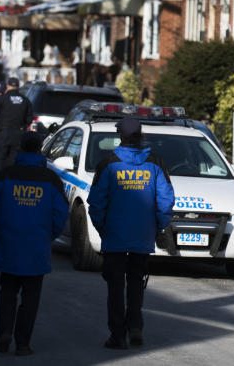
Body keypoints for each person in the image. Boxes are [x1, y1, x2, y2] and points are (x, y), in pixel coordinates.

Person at [87, 117, 175, 349]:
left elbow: (96, 203)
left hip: (114, 236)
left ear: (120, 136)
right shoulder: (155, 163)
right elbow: (166, 201)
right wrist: (157, 226)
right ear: (140, 134)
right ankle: (135, 328)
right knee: (136, 283)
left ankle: (117, 335)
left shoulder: (108, 163)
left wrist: (103, 228)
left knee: (115, 287)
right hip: (142, 236)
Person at [0, 132, 68, 356]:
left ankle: (4, 334)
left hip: (9, 244)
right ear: (40, 150)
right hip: (36, 247)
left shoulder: (5, 175)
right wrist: (48, 235)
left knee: (7, 293)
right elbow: (61, 214)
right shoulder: (51, 180)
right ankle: (22, 343)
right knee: (30, 298)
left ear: (20, 149)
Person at [0, 77, 32, 177]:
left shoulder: (1, 99)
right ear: (18, 87)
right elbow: (29, 119)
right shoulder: (25, 101)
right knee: (13, 165)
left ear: (7, 86)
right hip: (18, 135)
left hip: (2, 134)